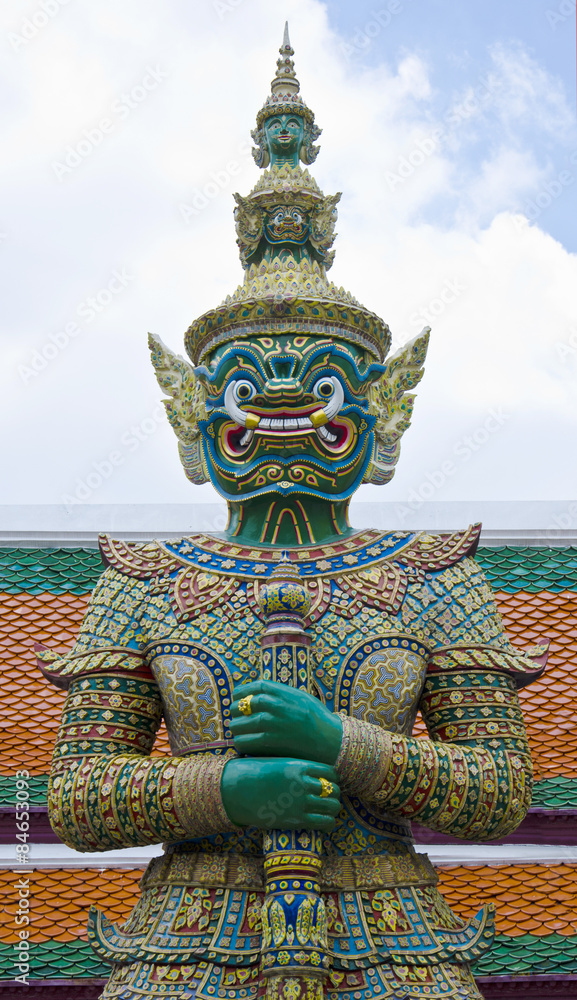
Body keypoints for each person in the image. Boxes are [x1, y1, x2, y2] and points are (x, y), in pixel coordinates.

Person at [39, 24, 545, 1000]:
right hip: (190, 936)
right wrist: (223, 787)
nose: (280, 404)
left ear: (377, 411)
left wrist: (343, 745)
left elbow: (498, 790)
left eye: (315, 380)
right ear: (194, 414)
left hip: (388, 932)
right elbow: (77, 795)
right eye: (246, 384)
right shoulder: (147, 584)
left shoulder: (433, 576)